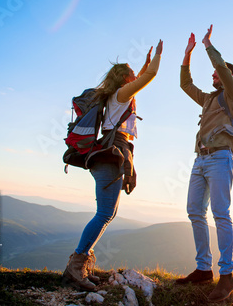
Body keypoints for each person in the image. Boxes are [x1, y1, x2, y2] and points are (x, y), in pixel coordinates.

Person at [62, 39, 163, 291]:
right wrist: (159, 57)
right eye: (131, 71)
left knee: (108, 214)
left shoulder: (119, 95)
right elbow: (147, 78)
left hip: (115, 153)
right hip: (110, 155)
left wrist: (146, 63)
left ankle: (80, 264)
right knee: (104, 214)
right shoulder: (121, 95)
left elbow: (141, 77)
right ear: (124, 78)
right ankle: (75, 267)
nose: (134, 74)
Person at [176, 25, 233, 303]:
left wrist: (207, 45)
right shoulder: (208, 99)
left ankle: (226, 276)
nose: (213, 75)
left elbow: (223, 70)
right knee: (194, 210)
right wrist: (187, 55)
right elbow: (185, 85)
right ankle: (204, 268)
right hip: (200, 160)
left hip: (220, 158)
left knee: (220, 214)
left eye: (216, 73)